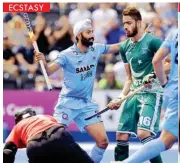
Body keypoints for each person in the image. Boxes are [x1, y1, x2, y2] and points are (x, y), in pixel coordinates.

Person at [35, 18, 121, 163]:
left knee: (103, 142)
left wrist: (137, 39)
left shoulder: (96, 49)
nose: (92, 35)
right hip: (67, 103)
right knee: (53, 141)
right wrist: (43, 61)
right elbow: (48, 71)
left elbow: (116, 47)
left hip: (86, 104)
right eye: (88, 32)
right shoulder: (66, 55)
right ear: (79, 35)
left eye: (92, 31)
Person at [107, 7, 163, 163]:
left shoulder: (153, 41)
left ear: (139, 23)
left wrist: (153, 75)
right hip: (134, 93)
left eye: (129, 23)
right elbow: (129, 79)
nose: (125, 26)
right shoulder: (125, 47)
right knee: (121, 135)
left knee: (143, 133)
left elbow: (169, 63)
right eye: (123, 23)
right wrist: (120, 98)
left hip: (152, 92)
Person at [119, 28, 178, 163]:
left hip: (173, 92)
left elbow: (158, 61)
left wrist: (161, 82)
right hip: (168, 91)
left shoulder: (174, 33)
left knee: (165, 140)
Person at [3, 108, 94, 163]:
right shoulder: (46, 117)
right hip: (59, 135)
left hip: (36, 145)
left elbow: (7, 151)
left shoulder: (18, 126)